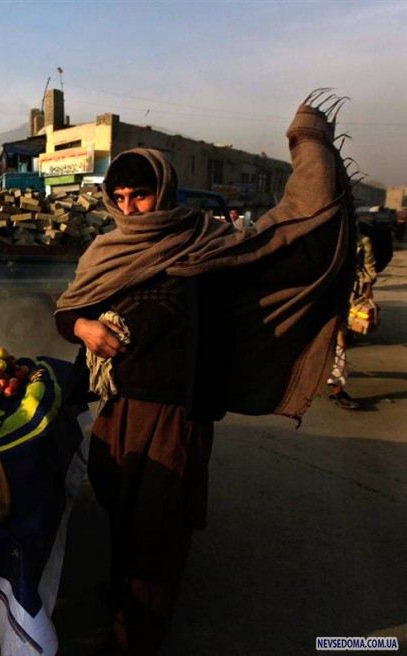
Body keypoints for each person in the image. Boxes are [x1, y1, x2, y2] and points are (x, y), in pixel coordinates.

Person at [55, 96, 356, 654]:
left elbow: (291, 230)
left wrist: (309, 141)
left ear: (164, 191)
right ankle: (119, 601)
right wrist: (83, 330)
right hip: (118, 407)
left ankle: (135, 638)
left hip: (176, 412)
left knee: (159, 530)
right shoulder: (106, 249)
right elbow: (69, 306)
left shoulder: (207, 242)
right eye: (119, 197)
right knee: (118, 509)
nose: (131, 208)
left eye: (140, 195)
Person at [327, 229, 378, 409]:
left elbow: (370, 269)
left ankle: (336, 387)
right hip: (319, 294)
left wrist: (367, 290)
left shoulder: (362, 240)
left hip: (345, 295)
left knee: (340, 338)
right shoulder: (321, 233)